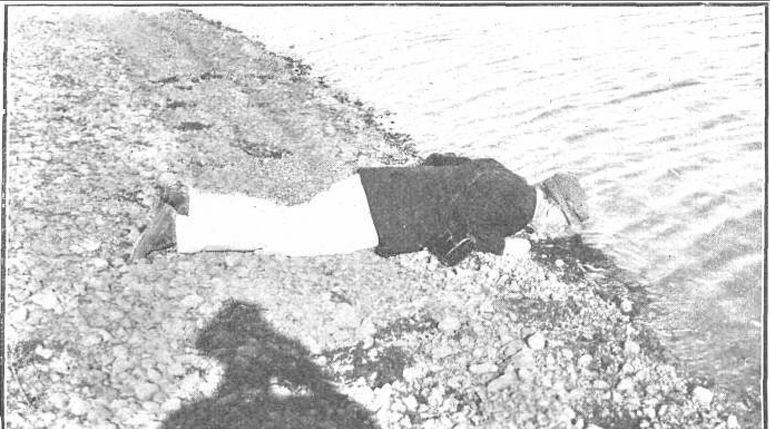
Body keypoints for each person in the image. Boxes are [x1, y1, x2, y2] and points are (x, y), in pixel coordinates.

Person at [131, 153, 589, 266]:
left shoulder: (502, 172)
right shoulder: (519, 205)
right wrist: (508, 247)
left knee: (287, 219)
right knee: (287, 237)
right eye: (562, 223)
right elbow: (470, 223)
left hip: (376, 186)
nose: (553, 231)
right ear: (551, 205)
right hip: (377, 214)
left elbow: (440, 160)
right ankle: (179, 231)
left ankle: (191, 203)